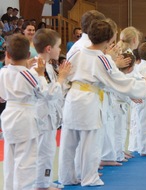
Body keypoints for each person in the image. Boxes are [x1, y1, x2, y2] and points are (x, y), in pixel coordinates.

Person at [58, 19, 146, 186]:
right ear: (109, 40)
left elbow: (66, 71)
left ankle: (66, 176)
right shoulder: (102, 58)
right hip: (88, 100)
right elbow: (118, 79)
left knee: (68, 140)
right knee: (90, 140)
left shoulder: (77, 51)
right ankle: (89, 177)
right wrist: (144, 85)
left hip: (72, 96)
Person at [0, 34, 47, 190]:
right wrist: (40, 74)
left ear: (7, 54)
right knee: (26, 162)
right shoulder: (29, 74)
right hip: (24, 117)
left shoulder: (3, 72)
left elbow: (1, 98)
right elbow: (43, 94)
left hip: (8, 115)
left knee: (10, 161)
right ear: (28, 55)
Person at [32, 28, 71, 190]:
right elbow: (48, 93)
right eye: (58, 46)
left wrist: (63, 78)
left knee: (47, 150)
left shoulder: (46, 66)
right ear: (49, 48)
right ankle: (42, 183)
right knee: (45, 151)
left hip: (47, 115)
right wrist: (61, 78)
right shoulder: (38, 66)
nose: (60, 49)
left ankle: (43, 181)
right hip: (42, 116)